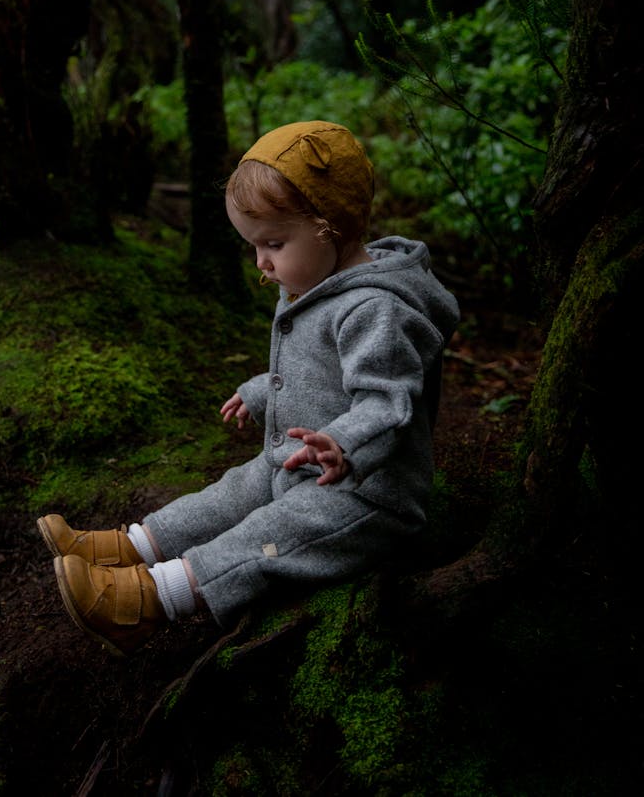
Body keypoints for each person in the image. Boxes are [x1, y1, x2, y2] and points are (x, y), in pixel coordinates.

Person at [38, 120, 459, 657]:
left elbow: (387, 398)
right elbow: (319, 368)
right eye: (255, 246)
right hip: (297, 462)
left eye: (274, 244)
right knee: (231, 493)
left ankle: (149, 601)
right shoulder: (313, 280)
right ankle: (132, 545)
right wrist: (262, 392)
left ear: (330, 226)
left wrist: (347, 444)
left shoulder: (376, 309)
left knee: (271, 530)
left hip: (363, 494)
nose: (261, 263)